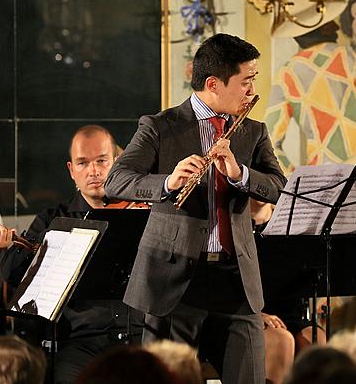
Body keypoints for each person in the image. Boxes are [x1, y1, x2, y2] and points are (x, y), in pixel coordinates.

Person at [104, 33, 286, 384]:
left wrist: (239, 173)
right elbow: (116, 181)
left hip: (235, 280)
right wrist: (168, 182)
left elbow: (278, 186)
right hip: (174, 280)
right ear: (214, 84)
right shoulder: (160, 126)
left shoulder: (253, 131)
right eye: (246, 82)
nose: (251, 91)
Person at [0, 125, 144, 384]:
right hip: (80, 341)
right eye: (83, 163)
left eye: (102, 161)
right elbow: (13, 274)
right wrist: (3, 248)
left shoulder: (144, 214)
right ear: (71, 171)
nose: (94, 171)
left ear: (117, 162)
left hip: (140, 336)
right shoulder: (54, 220)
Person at [265, 8, 356, 174]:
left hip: (320, 174)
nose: (336, 26)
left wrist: (290, 174)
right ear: (326, 28)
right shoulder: (354, 60)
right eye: (330, 21)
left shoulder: (286, 73)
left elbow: (269, 139)